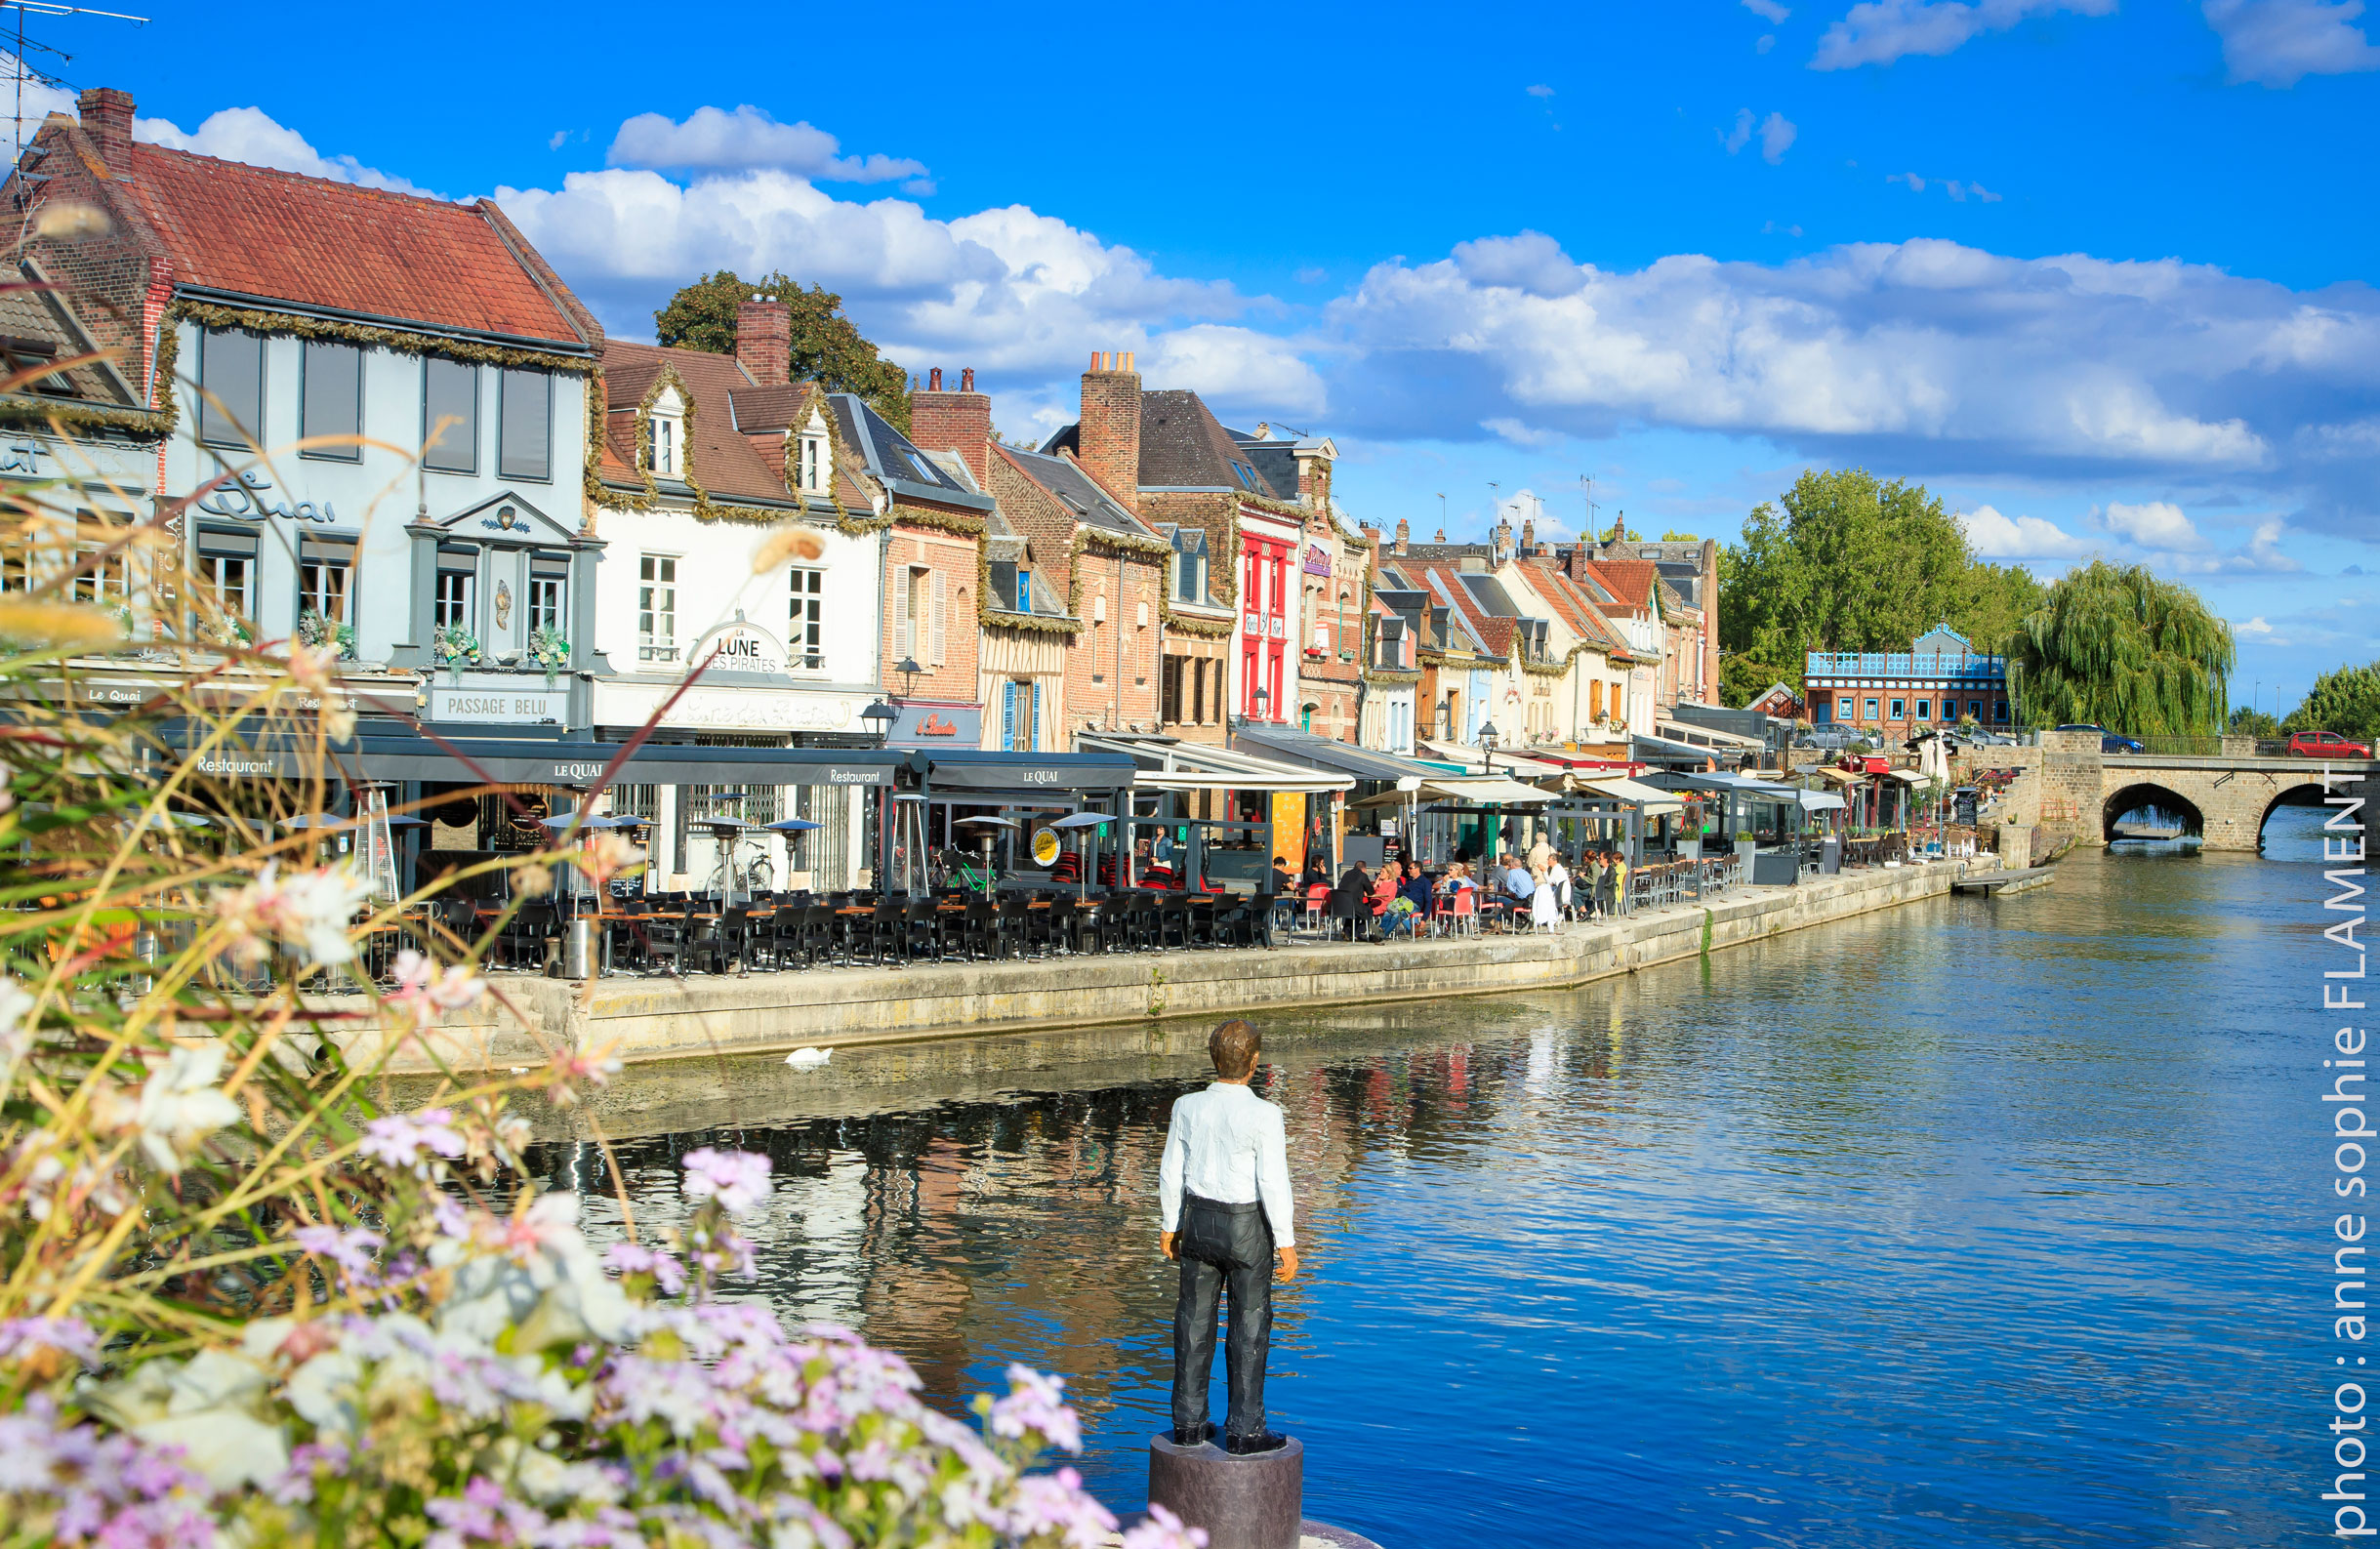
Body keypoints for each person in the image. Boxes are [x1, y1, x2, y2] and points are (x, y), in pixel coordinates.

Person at [1160, 1019, 1299, 1456]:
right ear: (1254, 1063)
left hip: (1198, 1222)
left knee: (1193, 1322)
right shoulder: (1264, 1114)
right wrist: (1287, 1241)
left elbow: (1171, 1170)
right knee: (1250, 1325)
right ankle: (1244, 1429)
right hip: (1245, 1229)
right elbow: (1272, 1181)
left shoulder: (1186, 1106)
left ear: (1212, 1058)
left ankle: (1187, 1425)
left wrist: (1169, 1224)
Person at [1531, 862, 1561, 931]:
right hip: (1554, 900)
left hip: (1542, 899)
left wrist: (1544, 871)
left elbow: (1550, 881)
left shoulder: (1541, 887)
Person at [1546, 852, 1573, 920]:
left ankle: (1548, 918)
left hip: (1561, 894)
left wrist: (1544, 871)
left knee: (1545, 897)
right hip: (1563, 892)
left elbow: (1549, 882)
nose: (1547, 861)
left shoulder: (1556, 868)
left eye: (1549, 859)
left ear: (1554, 860)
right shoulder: (1558, 867)